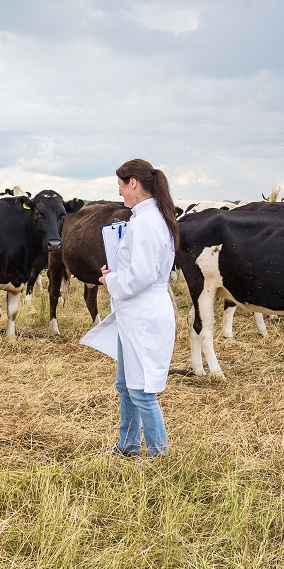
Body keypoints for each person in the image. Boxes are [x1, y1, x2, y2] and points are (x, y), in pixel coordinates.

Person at [81, 158, 180, 458]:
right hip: (134, 312)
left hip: (144, 312)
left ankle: (160, 455)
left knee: (141, 389)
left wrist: (112, 279)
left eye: (121, 186)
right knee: (126, 384)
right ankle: (128, 444)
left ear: (133, 183)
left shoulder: (147, 223)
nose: (121, 193)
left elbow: (140, 275)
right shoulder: (146, 218)